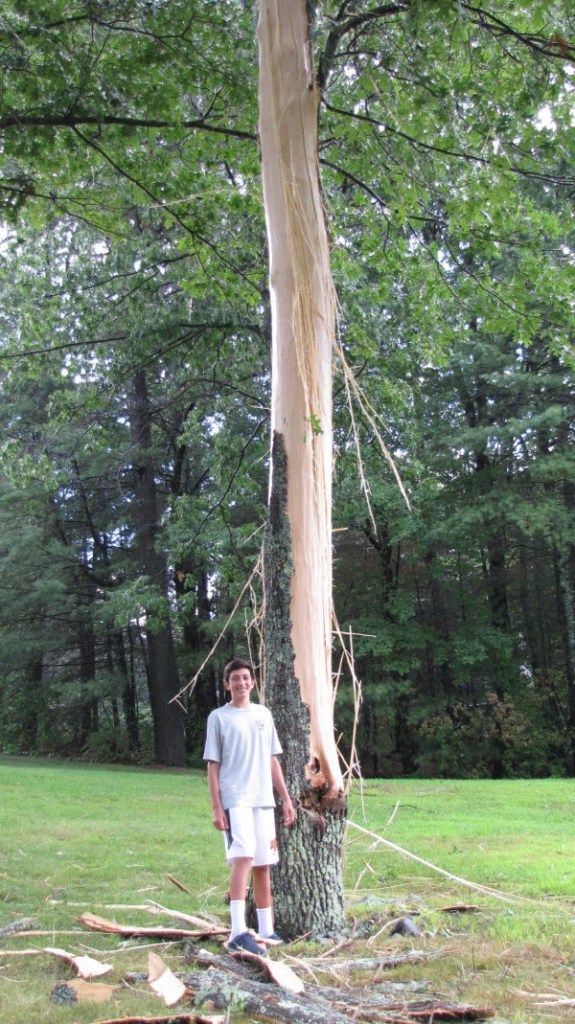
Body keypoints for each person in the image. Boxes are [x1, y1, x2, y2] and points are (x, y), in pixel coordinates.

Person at [203, 657, 296, 955]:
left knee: (262, 862)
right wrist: (217, 808)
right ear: (226, 684)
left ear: (253, 682)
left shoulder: (263, 715)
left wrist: (285, 798)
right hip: (235, 798)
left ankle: (267, 930)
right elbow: (213, 766)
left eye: (245, 678)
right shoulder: (219, 717)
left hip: (262, 799)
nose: (241, 683)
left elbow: (272, 759)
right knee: (241, 857)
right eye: (235, 679)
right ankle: (237, 931)